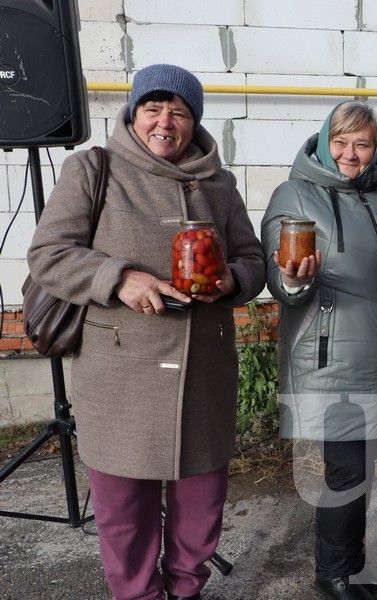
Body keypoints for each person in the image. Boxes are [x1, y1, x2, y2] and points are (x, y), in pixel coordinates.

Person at [26, 64, 266, 600]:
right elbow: (48, 255)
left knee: (201, 507)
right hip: (119, 375)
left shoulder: (219, 184)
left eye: (178, 112)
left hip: (203, 369)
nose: (165, 121)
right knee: (124, 515)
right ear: (133, 114)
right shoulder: (94, 169)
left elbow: (253, 259)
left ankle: (186, 590)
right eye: (153, 108)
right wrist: (119, 278)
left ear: (194, 122)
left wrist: (231, 279)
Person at [262, 101, 377, 600]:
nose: (352, 154)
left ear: (375, 148)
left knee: (367, 465)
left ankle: (350, 564)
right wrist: (291, 279)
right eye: (342, 142)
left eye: (363, 144)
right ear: (325, 142)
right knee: (347, 468)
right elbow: (280, 281)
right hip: (331, 356)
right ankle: (332, 573)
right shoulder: (296, 195)